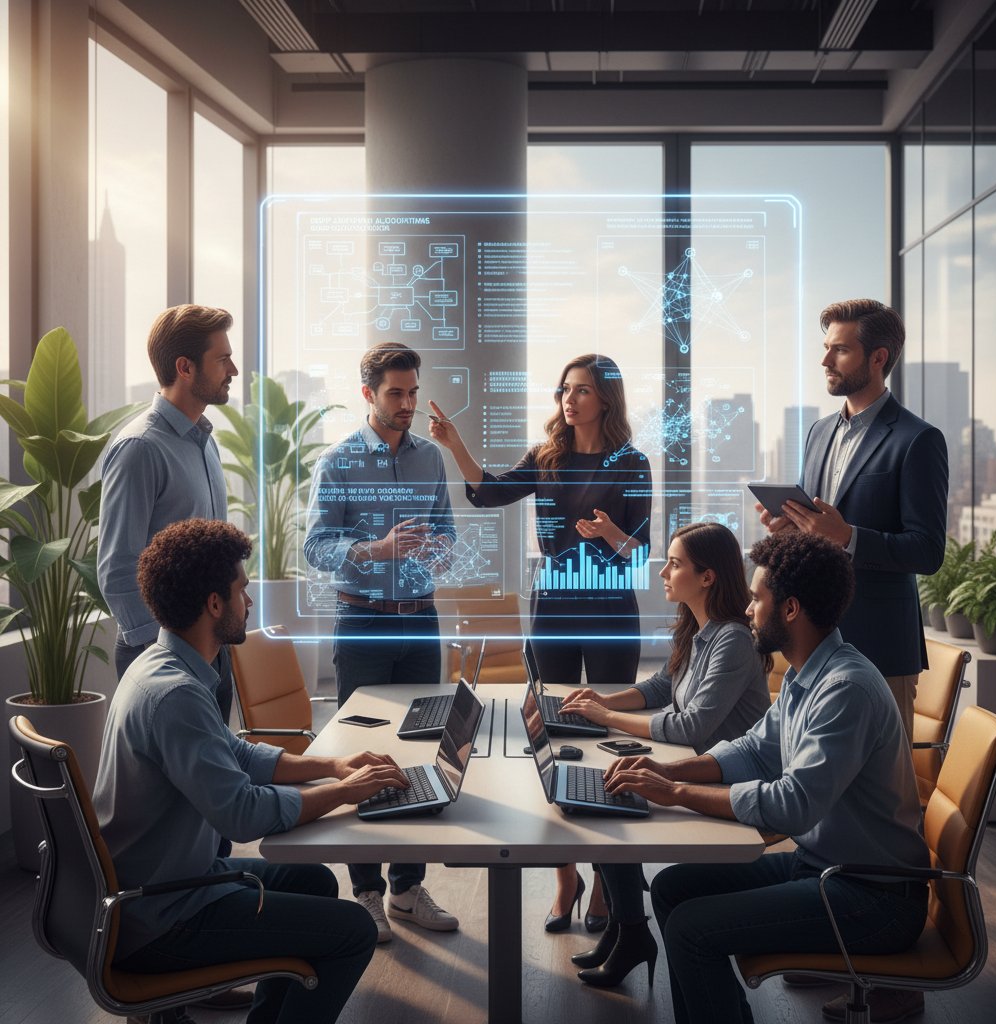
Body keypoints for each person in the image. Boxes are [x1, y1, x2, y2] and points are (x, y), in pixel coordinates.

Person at [604, 532, 929, 1024]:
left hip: (870, 899)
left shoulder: (845, 690)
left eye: (757, 599)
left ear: (791, 609)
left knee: (692, 929)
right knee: (672, 889)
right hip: (821, 866)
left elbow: (791, 805)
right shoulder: (807, 675)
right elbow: (753, 750)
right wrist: (665, 770)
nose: (749, 609)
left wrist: (674, 793)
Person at [93, 518, 408, 1024]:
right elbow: (241, 814)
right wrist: (345, 792)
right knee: (353, 930)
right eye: (242, 591)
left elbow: (236, 756)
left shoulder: (162, 666)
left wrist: (332, 765)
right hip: (165, 915)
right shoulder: (175, 695)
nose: (251, 602)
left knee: (315, 883)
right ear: (214, 604)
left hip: (170, 883)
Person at [429, 353, 652, 931]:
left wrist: (609, 532)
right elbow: (488, 492)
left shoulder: (633, 463)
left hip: (608, 604)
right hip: (554, 603)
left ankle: (606, 881)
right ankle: (565, 877)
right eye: (563, 391)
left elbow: (644, 553)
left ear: (606, 398)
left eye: (580, 391)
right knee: (551, 732)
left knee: (606, 734)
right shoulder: (548, 457)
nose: (568, 400)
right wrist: (456, 445)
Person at [559, 522, 771, 987]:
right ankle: (624, 928)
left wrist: (606, 718)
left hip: (723, 778)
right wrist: (603, 701)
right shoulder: (699, 628)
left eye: (675, 564)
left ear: (708, 576)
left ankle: (630, 931)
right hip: (695, 761)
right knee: (602, 789)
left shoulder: (733, 639)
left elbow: (691, 725)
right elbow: (661, 687)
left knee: (607, 800)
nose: (664, 574)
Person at [304, 341, 459, 943]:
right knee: (365, 755)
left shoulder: (430, 460)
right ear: (368, 393)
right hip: (363, 622)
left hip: (420, 621)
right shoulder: (339, 462)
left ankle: (406, 887)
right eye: (396, 392)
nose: (408, 403)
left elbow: (446, 530)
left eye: (413, 391)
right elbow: (317, 548)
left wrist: (438, 550)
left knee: (420, 750)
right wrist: (376, 549)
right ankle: (365, 893)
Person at [756, 298, 947, 743]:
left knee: (883, 789)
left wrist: (849, 537)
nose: (825, 360)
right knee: (804, 774)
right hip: (814, 642)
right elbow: (815, 529)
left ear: (878, 358)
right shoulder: (818, 431)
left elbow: (927, 550)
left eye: (839, 349)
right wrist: (789, 528)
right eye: (826, 347)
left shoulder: (918, 440)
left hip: (880, 647)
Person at [98, 304, 237, 719]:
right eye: (222, 359)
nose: (232, 369)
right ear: (185, 367)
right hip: (162, 656)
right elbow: (118, 569)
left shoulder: (206, 441)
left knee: (216, 777)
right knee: (168, 785)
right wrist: (165, 651)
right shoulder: (140, 449)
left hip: (210, 646)